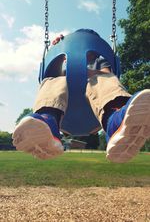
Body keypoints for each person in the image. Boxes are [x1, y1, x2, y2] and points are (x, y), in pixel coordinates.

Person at [13, 29, 150, 163]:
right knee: (53, 81)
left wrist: (87, 69)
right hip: (62, 109)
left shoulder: (100, 62)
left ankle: (117, 122)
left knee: (102, 78)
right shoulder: (64, 62)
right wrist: (57, 52)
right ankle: (46, 124)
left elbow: (108, 75)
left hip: (95, 109)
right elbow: (50, 74)